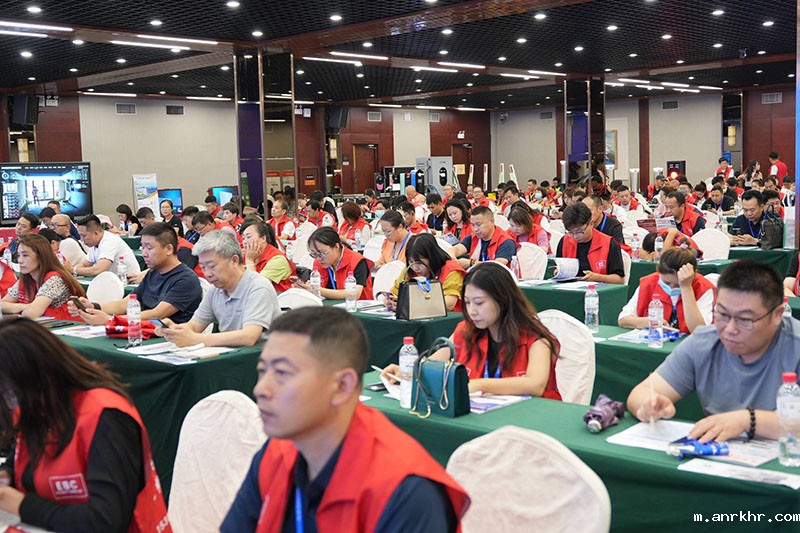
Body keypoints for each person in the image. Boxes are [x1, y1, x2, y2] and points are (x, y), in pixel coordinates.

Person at [222, 307, 469, 532]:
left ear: (342, 386)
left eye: (282, 373)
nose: (261, 389)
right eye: (262, 371)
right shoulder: (276, 452)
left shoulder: (406, 492)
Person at [0, 320, 171, 532]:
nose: (11, 405)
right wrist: (6, 474)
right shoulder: (39, 404)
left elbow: (105, 521)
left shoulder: (106, 417)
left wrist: (21, 504)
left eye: (7, 394)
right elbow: (22, 457)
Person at [627, 260, 800, 442]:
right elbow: (641, 392)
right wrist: (648, 405)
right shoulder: (704, 342)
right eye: (722, 314)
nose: (730, 329)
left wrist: (746, 420)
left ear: (777, 315)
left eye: (745, 320)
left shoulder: (794, 345)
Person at [383, 262, 561, 398]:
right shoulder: (466, 330)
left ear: (503, 300)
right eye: (467, 303)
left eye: (479, 303)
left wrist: (480, 385)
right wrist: (407, 371)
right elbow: (432, 364)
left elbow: (535, 385)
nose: (472, 311)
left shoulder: (536, 338)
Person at [160, 230, 280, 347]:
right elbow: (194, 326)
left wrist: (195, 339)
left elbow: (249, 337)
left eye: (212, 266)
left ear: (234, 260)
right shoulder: (215, 290)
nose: (207, 274)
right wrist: (175, 330)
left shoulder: (258, 287)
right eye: (203, 267)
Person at [70, 222, 202, 325]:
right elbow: (124, 304)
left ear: (168, 249)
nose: (144, 253)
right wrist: (93, 306)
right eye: (142, 247)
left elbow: (158, 314)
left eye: (149, 248)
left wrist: (110, 320)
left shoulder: (186, 279)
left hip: (169, 338)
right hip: (143, 331)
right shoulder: (153, 274)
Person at [618, 248, 715, 334]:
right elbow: (623, 320)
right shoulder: (649, 282)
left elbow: (699, 330)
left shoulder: (703, 288)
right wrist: (647, 322)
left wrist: (686, 287)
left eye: (677, 285)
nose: (671, 288)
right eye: (666, 283)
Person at [1, 234, 85, 320]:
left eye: (25, 255)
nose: (20, 260)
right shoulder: (27, 278)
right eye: (18, 255)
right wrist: (24, 306)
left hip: (71, 324)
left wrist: (21, 307)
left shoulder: (55, 279)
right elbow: (2, 305)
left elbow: (31, 313)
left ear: (41, 256)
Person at [383, 233, 465, 312]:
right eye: (411, 261)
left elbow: (448, 305)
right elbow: (394, 292)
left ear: (432, 258)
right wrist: (389, 301)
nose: (415, 268)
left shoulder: (452, 270)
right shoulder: (410, 268)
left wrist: (408, 303)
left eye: (419, 263)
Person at [293, 227, 374, 301]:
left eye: (322, 253)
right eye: (314, 254)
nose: (318, 258)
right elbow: (318, 288)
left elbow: (354, 294)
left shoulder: (357, 261)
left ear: (336, 247)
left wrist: (317, 289)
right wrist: (304, 286)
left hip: (357, 308)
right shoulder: (319, 262)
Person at [557, 203, 625, 284]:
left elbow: (620, 280)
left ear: (591, 224)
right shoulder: (565, 241)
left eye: (580, 232)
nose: (575, 236)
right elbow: (558, 268)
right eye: (570, 232)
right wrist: (558, 272)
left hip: (599, 289)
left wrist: (597, 277)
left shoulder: (609, 244)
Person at [74, 215, 141, 278]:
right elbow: (85, 264)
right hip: (113, 280)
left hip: (129, 281)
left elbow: (99, 270)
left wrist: (74, 270)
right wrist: (75, 269)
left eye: (84, 236)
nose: (81, 240)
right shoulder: (94, 243)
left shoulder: (109, 241)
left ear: (96, 233)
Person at [241, 219, 295, 293]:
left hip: (280, 298)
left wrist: (249, 261)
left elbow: (257, 288)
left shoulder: (277, 259)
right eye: (243, 238)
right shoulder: (246, 255)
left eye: (248, 237)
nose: (244, 242)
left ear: (263, 238)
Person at [639, 228, 703, 261]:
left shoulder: (682, 245)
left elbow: (664, 255)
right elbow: (641, 251)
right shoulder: (661, 234)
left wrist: (671, 234)